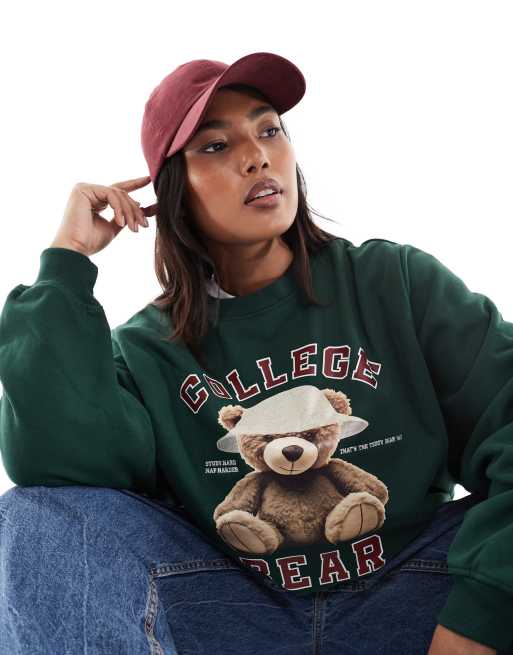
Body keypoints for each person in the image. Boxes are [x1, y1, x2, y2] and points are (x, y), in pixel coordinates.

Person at [0, 52, 512, 655]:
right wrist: (67, 260)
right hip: (230, 613)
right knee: (33, 516)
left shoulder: (394, 282)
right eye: (216, 146)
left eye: (269, 130)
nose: (257, 156)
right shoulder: (146, 351)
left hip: (413, 594)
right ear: (174, 191)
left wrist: (479, 622)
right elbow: (54, 470)